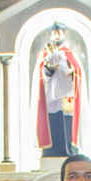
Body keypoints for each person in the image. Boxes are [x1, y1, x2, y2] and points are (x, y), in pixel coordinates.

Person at [35, 23, 83, 158]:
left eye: (59, 33)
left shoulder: (70, 53)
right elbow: (41, 72)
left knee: (67, 123)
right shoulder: (45, 54)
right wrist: (49, 69)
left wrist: (72, 72)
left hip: (66, 96)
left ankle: (69, 151)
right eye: (54, 33)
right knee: (52, 123)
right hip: (50, 97)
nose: (57, 36)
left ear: (64, 34)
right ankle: (51, 152)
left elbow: (78, 71)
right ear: (50, 35)